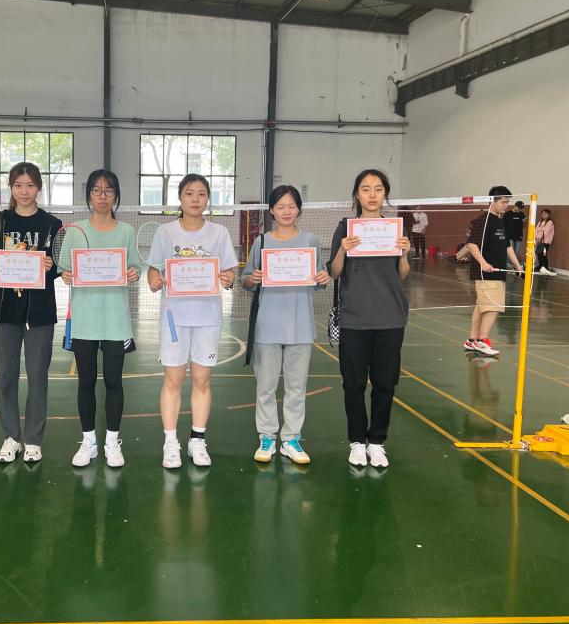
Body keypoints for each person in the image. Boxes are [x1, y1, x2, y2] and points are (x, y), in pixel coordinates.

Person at [148, 174, 238, 469]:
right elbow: (153, 272)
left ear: (208, 199)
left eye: (201, 193)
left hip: (208, 318)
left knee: (202, 380)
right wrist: (154, 280)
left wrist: (228, 278)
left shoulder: (219, 233)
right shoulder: (165, 232)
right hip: (174, 319)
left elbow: (229, 273)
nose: (195, 199)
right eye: (189, 193)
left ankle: (197, 440)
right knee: (173, 380)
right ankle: (170, 442)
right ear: (180, 198)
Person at [327, 169, 412, 469]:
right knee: (353, 384)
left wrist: (404, 254)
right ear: (357, 195)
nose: (372, 194)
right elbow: (334, 272)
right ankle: (356, 442)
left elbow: (402, 274)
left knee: (385, 383)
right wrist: (342, 249)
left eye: (378, 189)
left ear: (385, 193)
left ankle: (376, 442)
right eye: (365, 189)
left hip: (390, 318)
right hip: (354, 319)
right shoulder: (345, 228)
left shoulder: (395, 228)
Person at [0, 162, 61, 464]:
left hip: (40, 314)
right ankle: (11, 437)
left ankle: (34, 440)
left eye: (30, 185)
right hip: (5, 312)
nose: (24, 191)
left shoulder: (52, 223)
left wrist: (52, 267)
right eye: (18, 185)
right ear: (11, 188)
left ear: (38, 187)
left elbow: (60, 263)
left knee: (38, 377)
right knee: (6, 376)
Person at [241, 185, 329, 465]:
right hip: (267, 326)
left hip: (300, 326)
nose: (286, 211)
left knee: (296, 388)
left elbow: (319, 280)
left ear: (299, 210)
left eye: (291, 206)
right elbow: (246, 281)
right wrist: (252, 278)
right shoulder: (261, 242)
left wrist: (322, 278)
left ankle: (291, 439)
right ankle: (267, 437)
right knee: (265, 387)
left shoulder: (310, 240)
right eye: (280, 207)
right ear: (271, 211)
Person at [58, 169, 140, 468]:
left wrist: (133, 273)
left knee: (115, 382)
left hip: (115, 320)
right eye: (96, 190)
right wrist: (66, 275)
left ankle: (112, 442)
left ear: (116, 195)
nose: (102, 196)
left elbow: (134, 268)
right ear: (89, 195)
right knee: (86, 382)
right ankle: (89, 441)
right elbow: (65, 270)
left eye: (108, 190)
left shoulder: (127, 232)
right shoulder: (75, 231)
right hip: (84, 320)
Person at [463, 186, 524, 357]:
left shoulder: (499, 221)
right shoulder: (482, 221)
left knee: (481, 307)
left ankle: (472, 340)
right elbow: (472, 245)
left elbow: (507, 246)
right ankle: (482, 341)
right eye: (503, 202)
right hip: (486, 273)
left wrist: (518, 267)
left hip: (498, 272)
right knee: (493, 307)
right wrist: (483, 263)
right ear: (493, 201)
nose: (506, 205)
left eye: (507, 202)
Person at [535, 209, 557, 276]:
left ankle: (545, 268)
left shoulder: (550, 222)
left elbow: (546, 232)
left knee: (543, 255)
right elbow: (535, 230)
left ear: (549, 215)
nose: (544, 215)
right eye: (542, 214)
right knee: (539, 254)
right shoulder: (540, 222)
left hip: (545, 242)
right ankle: (541, 268)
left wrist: (539, 237)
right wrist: (537, 238)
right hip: (539, 242)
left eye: (545, 214)